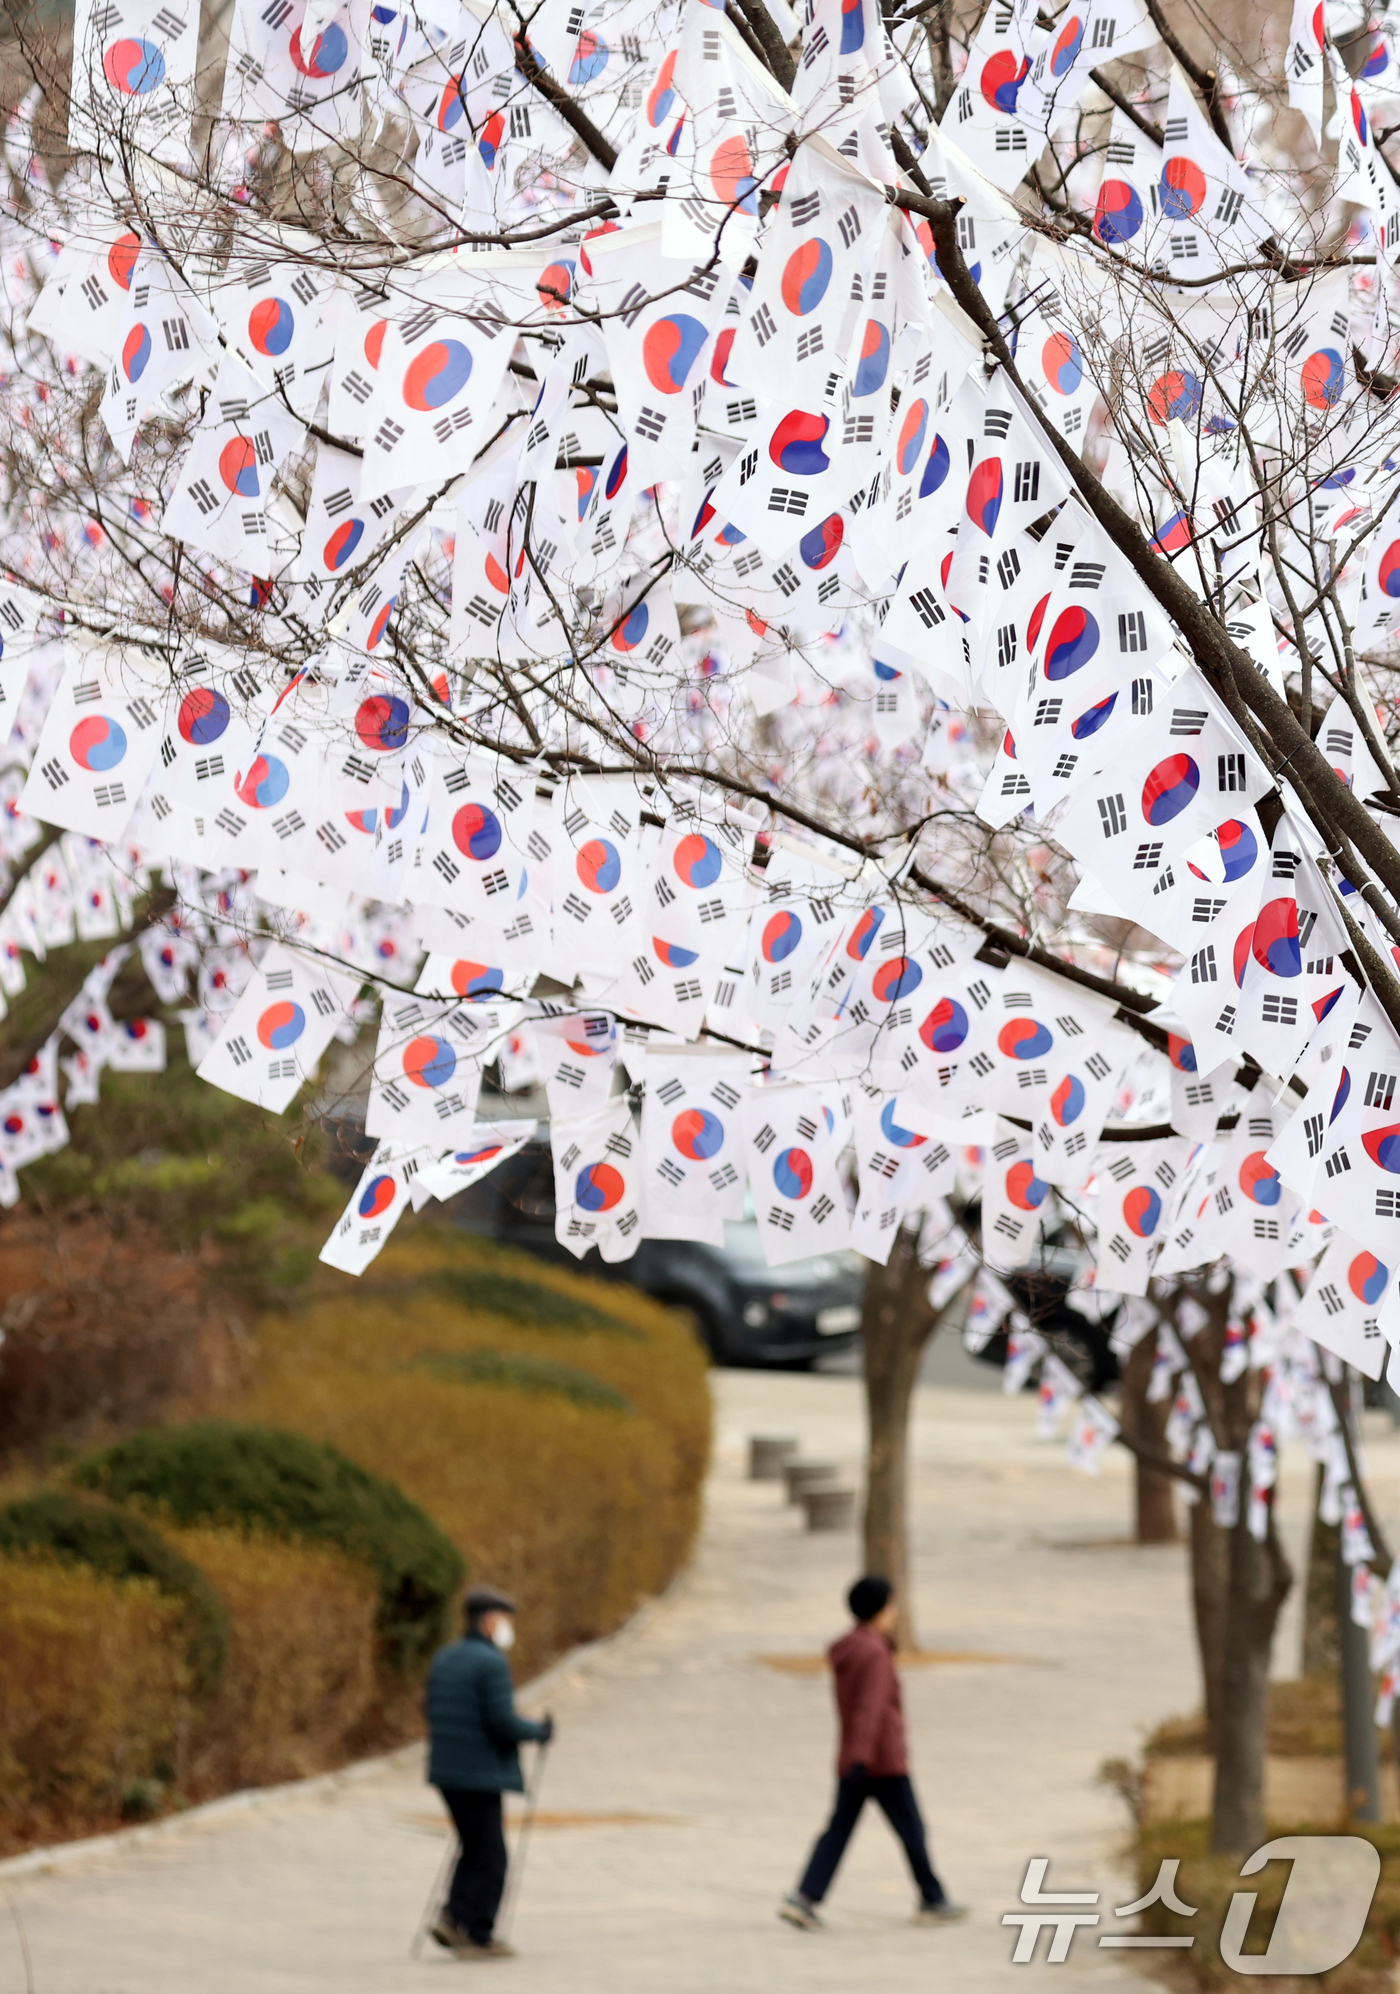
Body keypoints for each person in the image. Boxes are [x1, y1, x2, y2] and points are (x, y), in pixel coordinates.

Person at [780, 1574, 966, 1932]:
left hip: (855, 1758)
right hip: (880, 1762)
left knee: (838, 1832)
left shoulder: (850, 1648)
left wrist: (853, 1757)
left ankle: (804, 1897)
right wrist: (862, 1757)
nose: (894, 1613)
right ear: (880, 1610)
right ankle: (933, 1899)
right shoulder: (875, 1653)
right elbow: (870, 1708)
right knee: (911, 1830)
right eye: (891, 1606)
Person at [425, 1584, 554, 1960]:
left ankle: (453, 1917)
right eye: (504, 1620)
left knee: (474, 1847)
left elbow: (430, 1708)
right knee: (491, 1856)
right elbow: (503, 1722)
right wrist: (539, 1732)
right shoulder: (491, 1663)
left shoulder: (445, 1657)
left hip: (446, 1771)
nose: (507, 1628)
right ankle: (478, 1932)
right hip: (478, 1774)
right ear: (487, 1622)